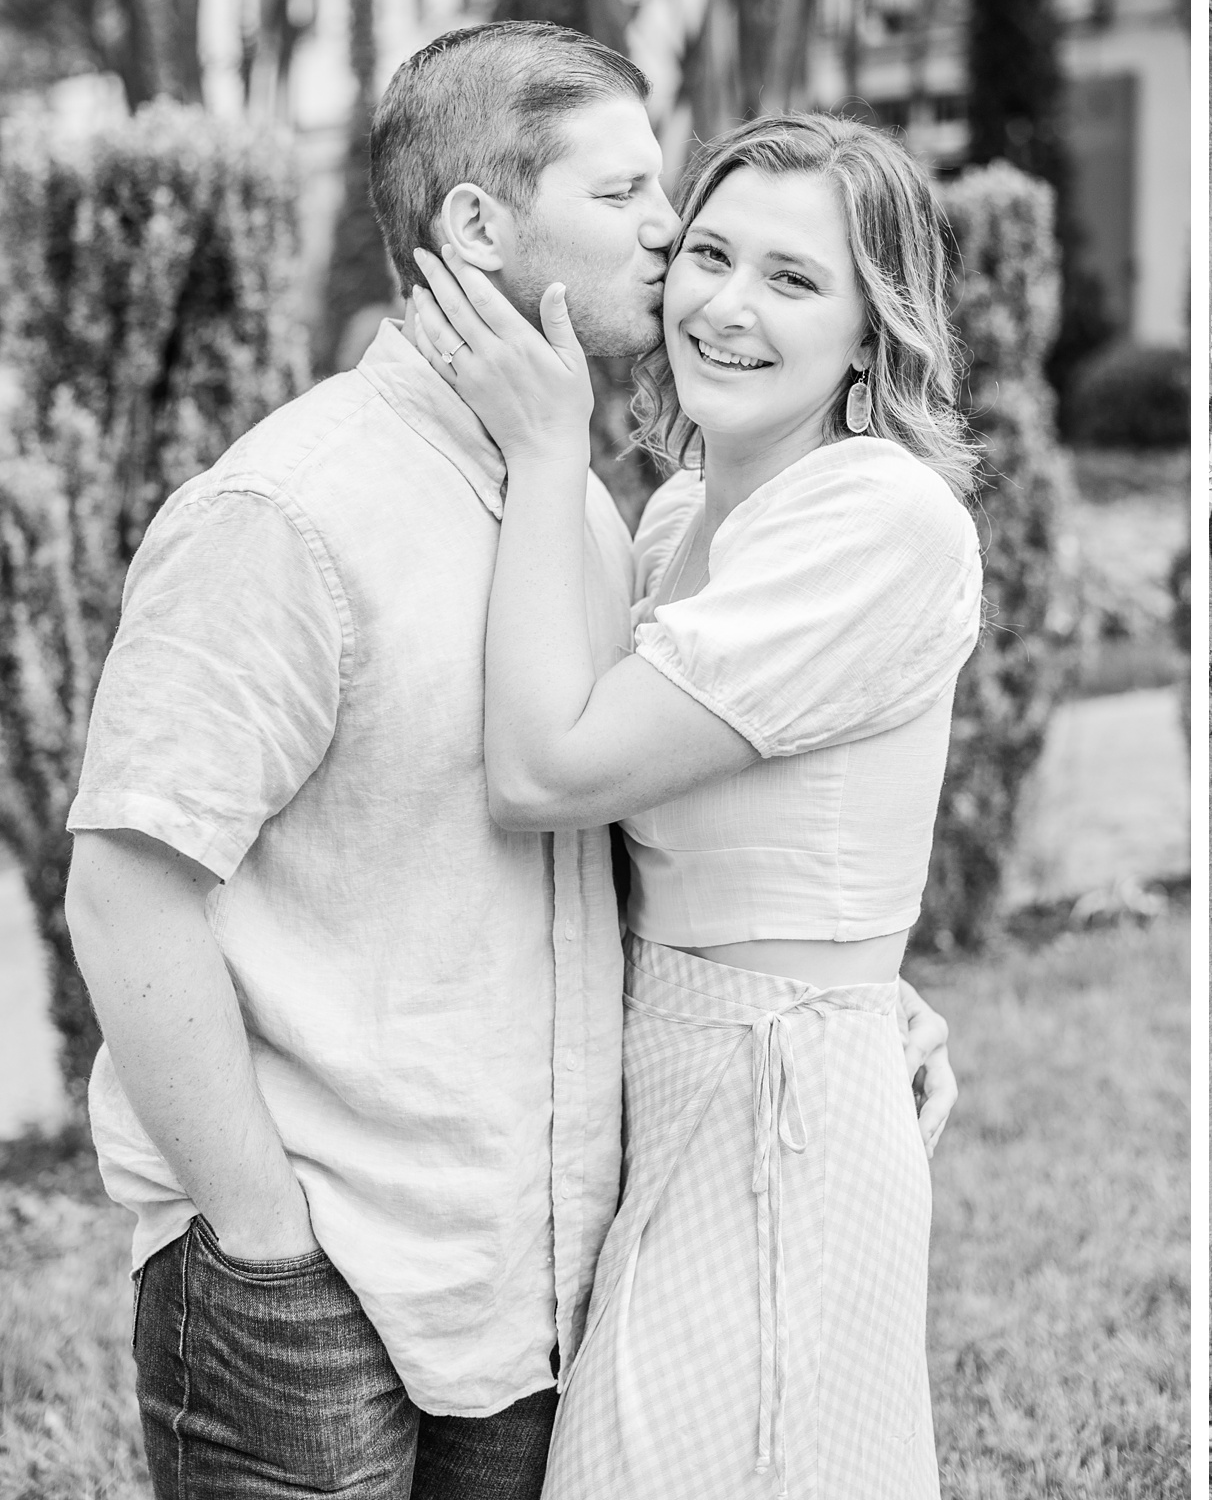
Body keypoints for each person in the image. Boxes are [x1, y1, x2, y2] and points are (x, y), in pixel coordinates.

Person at [60, 24, 956, 1500]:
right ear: (479, 224)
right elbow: (124, 895)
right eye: (629, 198)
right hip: (321, 1273)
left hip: (535, 1277)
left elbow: (619, 823)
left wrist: (845, 993)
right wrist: (260, 1236)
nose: (671, 242)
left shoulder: (588, 517)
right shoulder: (288, 511)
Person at [403, 110, 982, 1498]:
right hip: (678, 1078)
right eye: (708, 255)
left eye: (794, 281)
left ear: (872, 328)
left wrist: (547, 452)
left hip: (779, 1112)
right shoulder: (679, 519)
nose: (726, 306)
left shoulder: (881, 521)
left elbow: (550, 773)